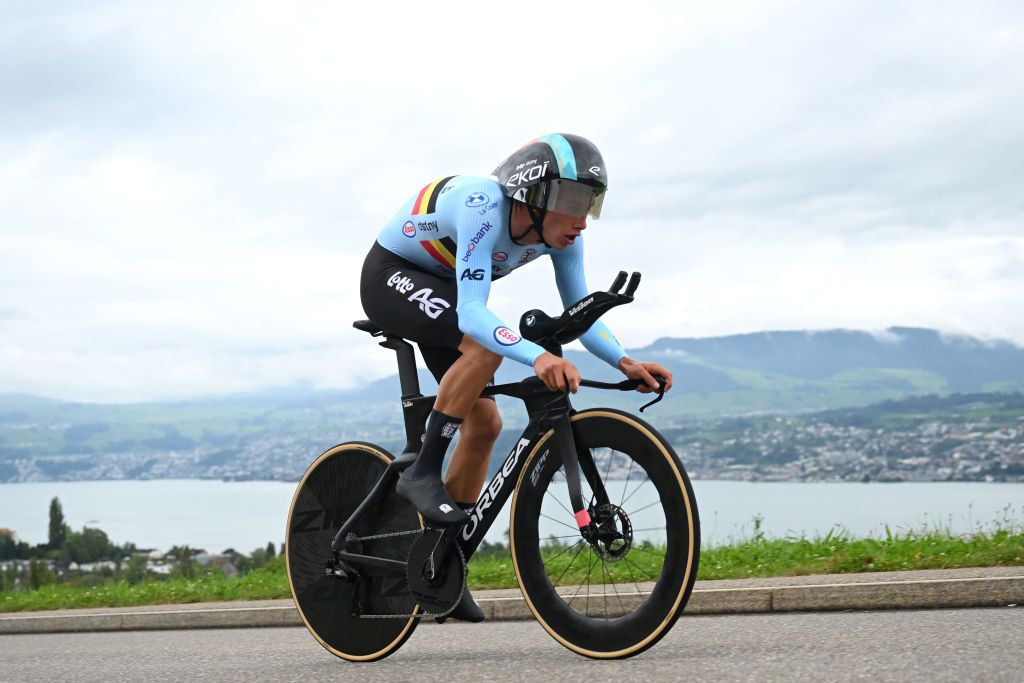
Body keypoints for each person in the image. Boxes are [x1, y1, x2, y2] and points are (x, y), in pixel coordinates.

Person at [359, 133, 674, 621]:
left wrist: (625, 362)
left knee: (484, 426)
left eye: (590, 203)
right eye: (572, 201)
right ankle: (423, 471)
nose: (582, 219)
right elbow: (471, 314)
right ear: (531, 195)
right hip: (392, 275)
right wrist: (537, 357)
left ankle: (443, 563)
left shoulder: (561, 238)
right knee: (485, 349)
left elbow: (580, 313)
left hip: (444, 289)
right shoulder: (483, 206)